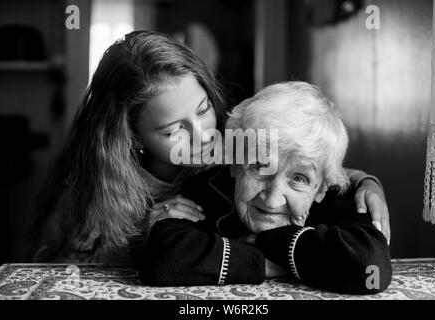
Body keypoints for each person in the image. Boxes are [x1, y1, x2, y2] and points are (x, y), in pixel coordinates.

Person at [28, 31, 388, 265]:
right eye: (173, 131)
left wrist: (364, 181)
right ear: (133, 136)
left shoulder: (227, 147)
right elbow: (70, 279)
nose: (201, 135)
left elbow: (301, 160)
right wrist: (145, 239)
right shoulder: (99, 197)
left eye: (202, 111)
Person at [140, 82, 391, 294]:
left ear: (322, 188)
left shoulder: (340, 197)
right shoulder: (207, 188)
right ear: (235, 164)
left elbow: (372, 269)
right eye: (259, 166)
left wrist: (264, 241)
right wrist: (265, 263)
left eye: (299, 179)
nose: (272, 200)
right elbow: (162, 261)